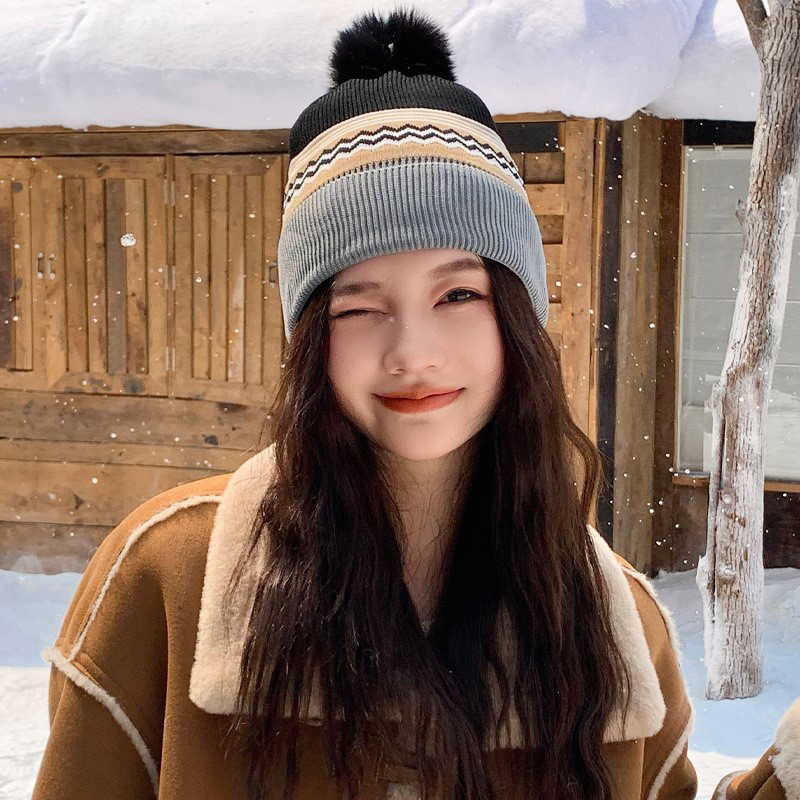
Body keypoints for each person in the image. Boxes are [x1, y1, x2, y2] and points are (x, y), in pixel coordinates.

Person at [32, 8, 798, 800]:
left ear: (516, 318)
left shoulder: (613, 620)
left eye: (457, 294)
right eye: (359, 307)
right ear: (309, 338)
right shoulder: (166, 579)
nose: (413, 352)